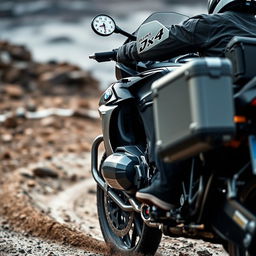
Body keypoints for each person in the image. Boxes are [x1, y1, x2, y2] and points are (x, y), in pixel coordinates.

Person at [116, 0, 256, 211]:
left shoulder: (210, 24)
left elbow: (164, 41)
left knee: (171, 102)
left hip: (227, 104)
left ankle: (166, 187)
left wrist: (124, 52)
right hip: (249, 105)